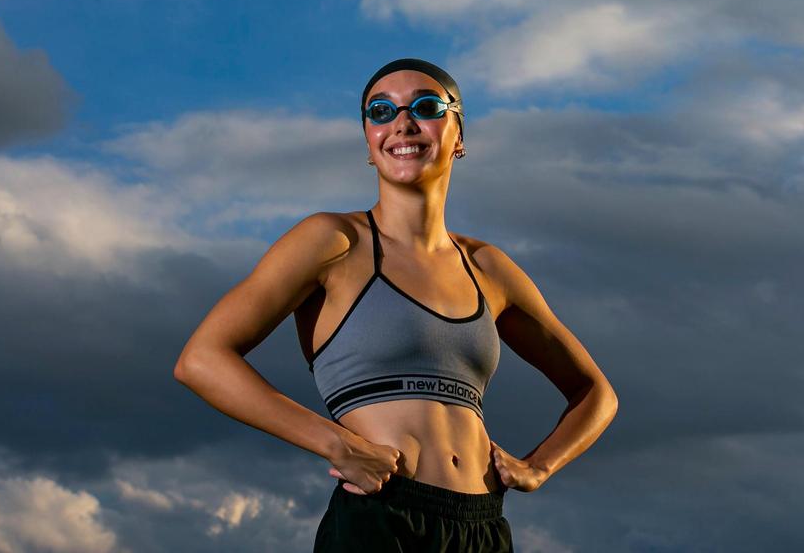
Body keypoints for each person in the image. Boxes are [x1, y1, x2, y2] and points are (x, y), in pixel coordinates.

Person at [174, 58, 618, 552]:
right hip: (383, 519)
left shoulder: (488, 267)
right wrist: (336, 444)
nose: (401, 123)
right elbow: (201, 360)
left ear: (459, 135)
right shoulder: (332, 241)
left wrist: (540, 465)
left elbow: (595, 392)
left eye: (425, 107)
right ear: (368, 142)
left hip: (483, 525)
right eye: (381, 112)